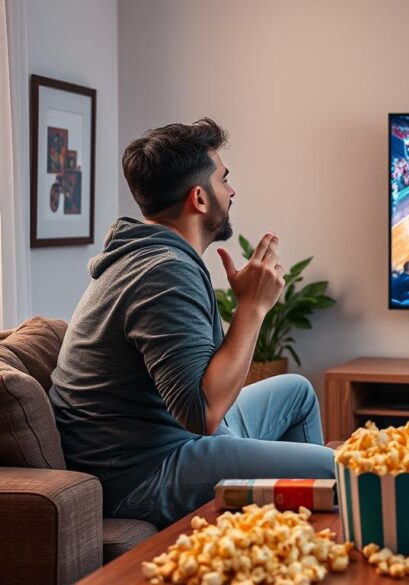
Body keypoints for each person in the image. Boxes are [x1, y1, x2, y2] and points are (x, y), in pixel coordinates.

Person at [48, 118, 335, 528]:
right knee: (338, 469)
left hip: (166, 438)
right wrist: (252, 308)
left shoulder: (145, 254)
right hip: (142, 470)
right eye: (224, 179)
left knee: (297, 393)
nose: (232, 191)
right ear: (199, 198)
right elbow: (203, 414)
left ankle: (292, 536)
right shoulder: (163, 271)